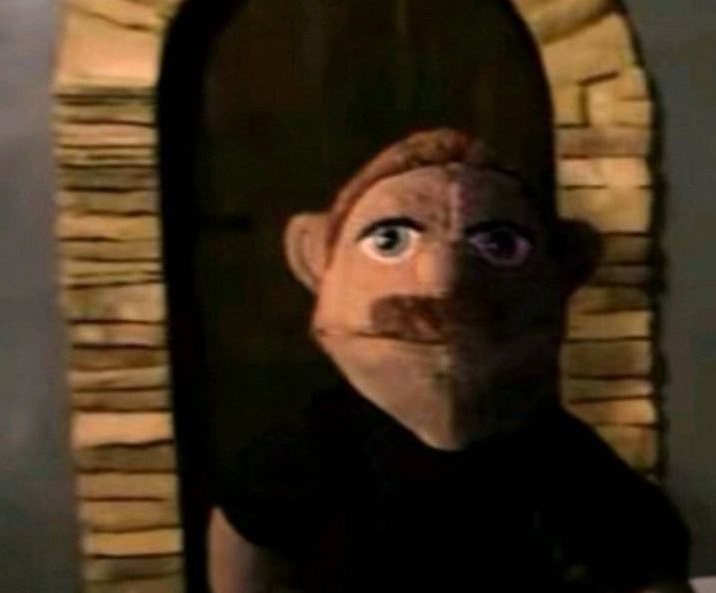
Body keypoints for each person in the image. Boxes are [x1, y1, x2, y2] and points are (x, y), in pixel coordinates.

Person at [206, 129, 692, 593]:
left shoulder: (552, 451)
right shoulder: (319, 440)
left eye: (498, 244)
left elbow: (642, 558)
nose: (445, 279)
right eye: (390, 240)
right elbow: (248, 535)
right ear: (318, 261)